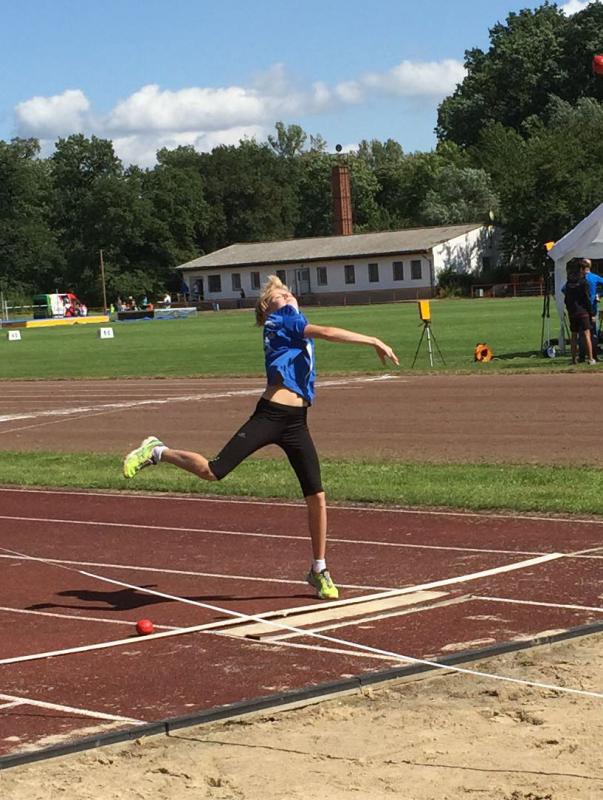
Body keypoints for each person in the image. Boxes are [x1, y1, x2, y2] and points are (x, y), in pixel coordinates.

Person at [123, 275, 399, 600]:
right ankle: (157, 451)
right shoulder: (281, 321)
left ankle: (319, 569)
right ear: (268, 307)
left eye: (289, 293)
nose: (289, 296)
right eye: (281, 295)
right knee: (214, 470)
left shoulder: (291, 321)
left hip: (297, 422)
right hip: (270, 416)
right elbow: (326, 332)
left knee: (317, 495)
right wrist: (373, 339)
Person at [563, 261, 596, 365]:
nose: (587, 271)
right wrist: (591, 313)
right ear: (581, 269)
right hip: (583, 311)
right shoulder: (584, 282)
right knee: (587, 334)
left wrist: (569, 309)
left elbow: (566, 298)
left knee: (573, 335)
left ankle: (574, 359)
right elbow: (587, 299)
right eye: (585, 269)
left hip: (572, 312)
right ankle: (590, 358)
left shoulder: (569, 283)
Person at [578, 259, 603, 360]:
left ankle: (582, 355)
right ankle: (594, 355)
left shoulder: (578, 279)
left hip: (580, 309)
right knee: (593, 332)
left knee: (582, 333)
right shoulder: (594, 277)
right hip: (592, 308)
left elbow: (564, 289)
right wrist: (599, 295)